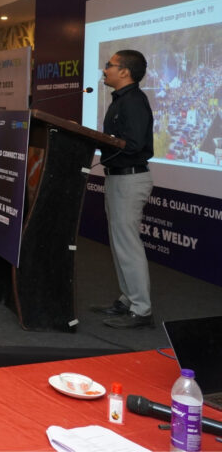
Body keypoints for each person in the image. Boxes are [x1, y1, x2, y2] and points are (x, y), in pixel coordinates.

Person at [91, 49, 155, 330]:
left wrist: (99, 140)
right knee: (120, 244)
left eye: (110, 65)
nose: (105, 69)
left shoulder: (134, 102)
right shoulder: (120, 100)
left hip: (130, 179)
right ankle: (128, 299)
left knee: (128, 244)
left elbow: (134, 144)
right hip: (117, 178)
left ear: (125, 72)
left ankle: (141, 309)